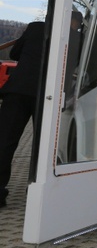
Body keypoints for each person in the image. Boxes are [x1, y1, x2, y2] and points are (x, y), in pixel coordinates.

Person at [0, 21, 45, 208]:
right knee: (42, 145)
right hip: (45, 93)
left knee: (5, 141)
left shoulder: (35, 27)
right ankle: (37, 192)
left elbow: (14, 54)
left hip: (18, 90)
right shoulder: (70, 32)